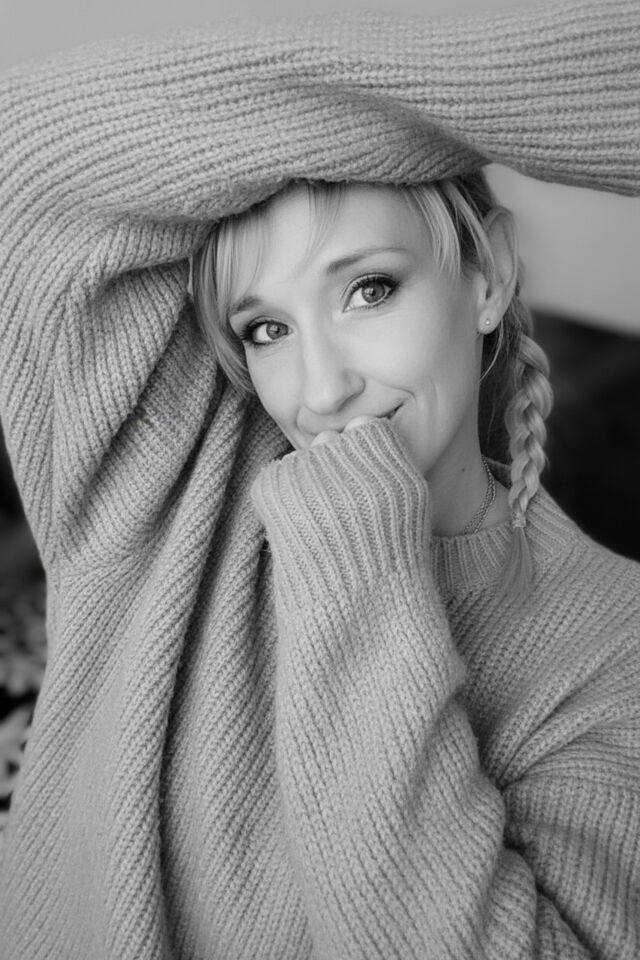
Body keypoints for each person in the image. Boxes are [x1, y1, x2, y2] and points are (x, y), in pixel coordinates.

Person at [0, 2, 638, 958]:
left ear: (491, 275)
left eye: (369, 290)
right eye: (267, 329)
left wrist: (361, 561)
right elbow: (28, 146)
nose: (324, 388)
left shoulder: (615, 648)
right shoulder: (171, 497)